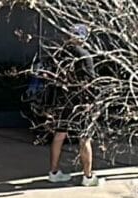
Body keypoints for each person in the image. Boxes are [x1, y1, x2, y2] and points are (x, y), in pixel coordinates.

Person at [43, 24, 97, 186]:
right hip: (80, 101)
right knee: (85, 137)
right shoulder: (84, 56)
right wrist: (92, 101)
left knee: (59, 135)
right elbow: (90, 82)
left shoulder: (60, 54)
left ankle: (53, 172)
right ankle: (88, 176)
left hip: (62, 99)